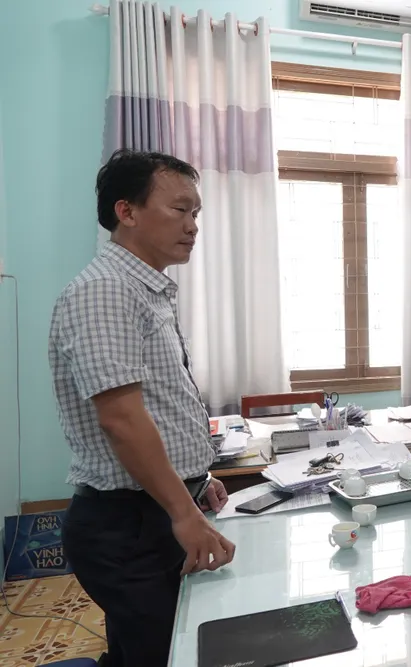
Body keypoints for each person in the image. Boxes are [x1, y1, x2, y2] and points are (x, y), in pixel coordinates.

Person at [48, 149, 236, 667]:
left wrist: (195, 479)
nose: (192, 225)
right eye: (179, 210)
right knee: (163, 653)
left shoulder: (145, 289)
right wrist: (182, 510)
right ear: (125, 211)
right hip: (129, 524)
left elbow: (161, 403)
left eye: (195, 212)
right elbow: (122, 419)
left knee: (146, 648)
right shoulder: (105, 290)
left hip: (150, 508)